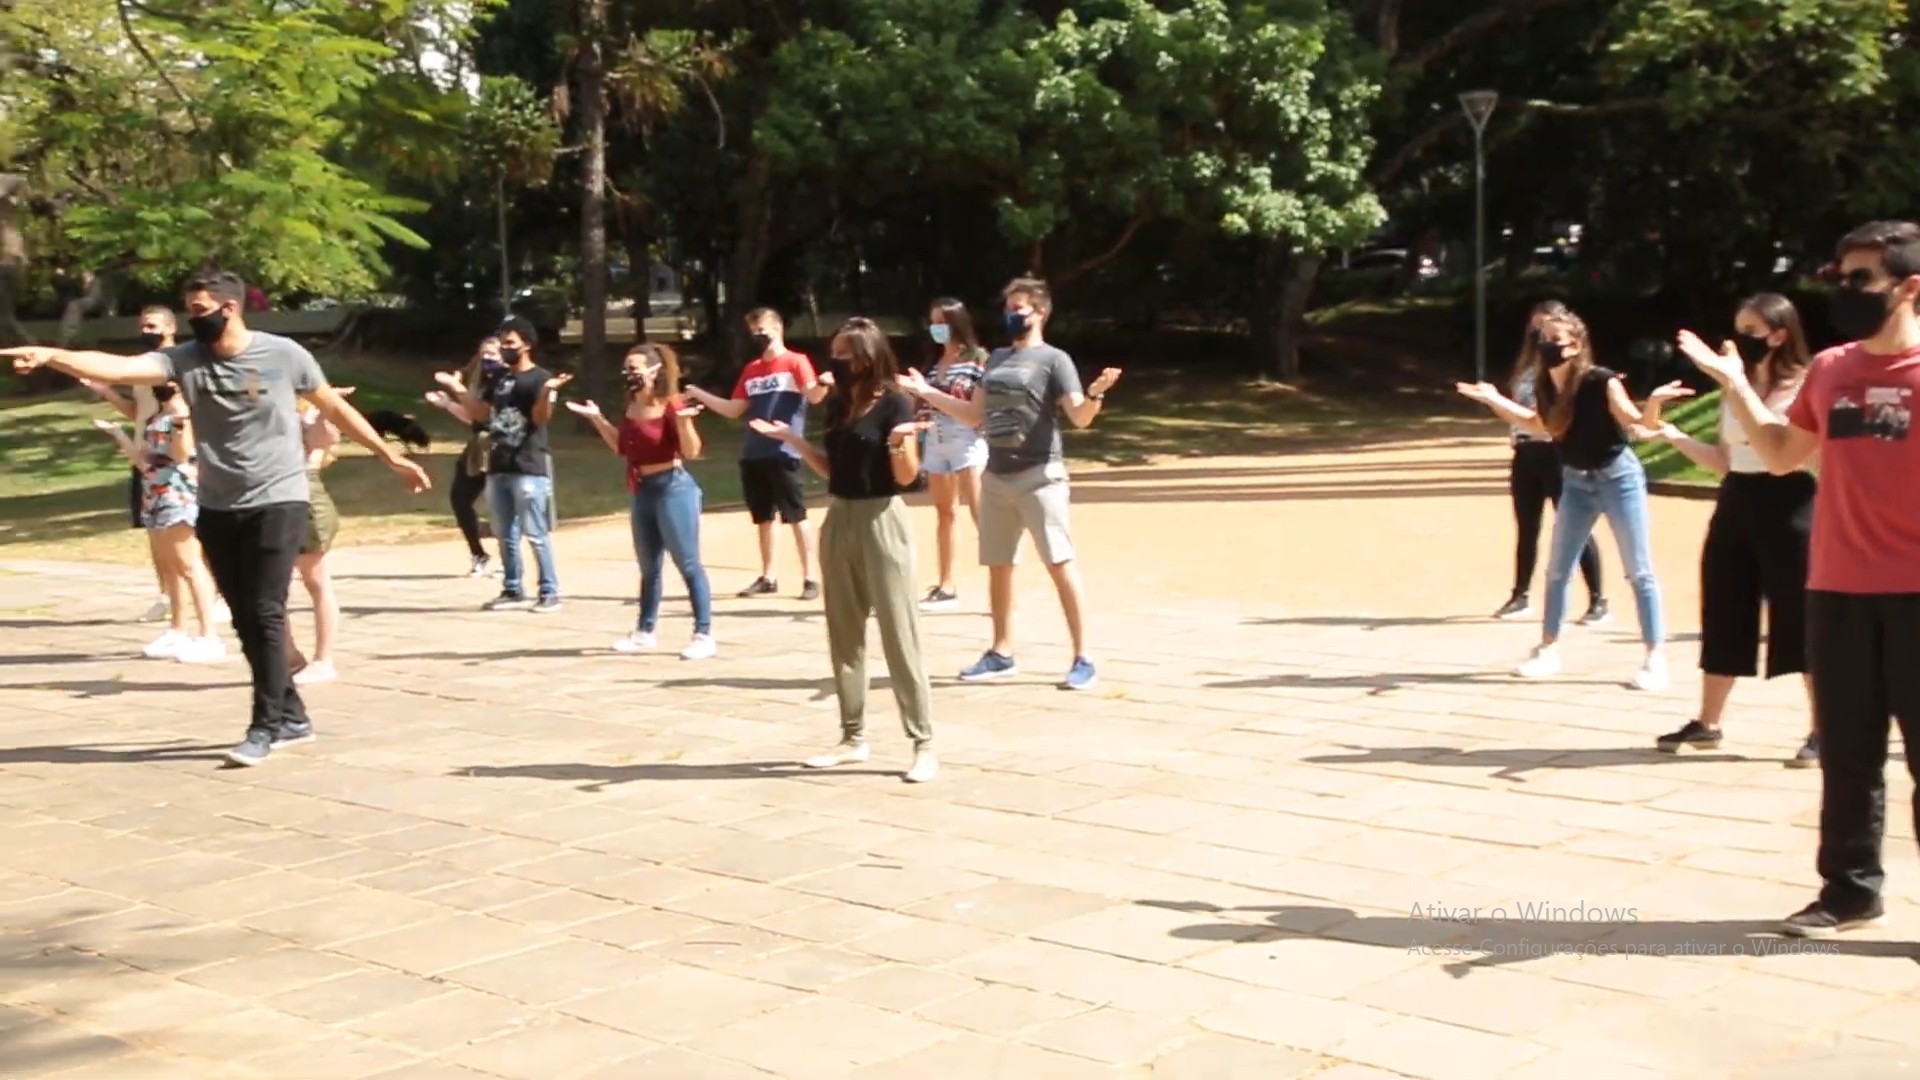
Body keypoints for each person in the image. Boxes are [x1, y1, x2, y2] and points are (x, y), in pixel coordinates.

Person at [3, 270, 431, 767]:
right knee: (247, 616)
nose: (193, 319)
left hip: (279, 498)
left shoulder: (283, 355)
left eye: (201, 310)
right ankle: (292, 717)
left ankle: (266, 724)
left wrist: (388, 456)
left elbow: (333, 407)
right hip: (218, 504)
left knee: (266, 610)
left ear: (230, 308)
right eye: (189, 310)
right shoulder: (184, 359)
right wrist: (55, 355)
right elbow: (119, 368)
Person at [1685, 220, 1920, 938]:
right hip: (1837, 586)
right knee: (1847, 752)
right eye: (1839, 277)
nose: (1843, 292)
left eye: (1861, 280)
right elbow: (1785, 454)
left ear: (1910, 287)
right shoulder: (1833, 370)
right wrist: (1735, 388)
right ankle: (1848, 891)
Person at [902, 277, 1122, 691]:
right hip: (997, 476)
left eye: (1019, 307)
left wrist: (1095, 394)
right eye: (1008, 307)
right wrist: (926, 391)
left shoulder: (1055, 360)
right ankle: (1001, 652)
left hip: (1041, 475)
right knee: (999, 566)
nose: (1011, 314)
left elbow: (1079, 416)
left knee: (1059, 562)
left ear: (1039, 312)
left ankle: (1083, 657)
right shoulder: (998, 358)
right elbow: (972, 414)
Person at [1456, 308, 1689, 691]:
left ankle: (1654, 657)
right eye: (1541, 339)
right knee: (1557, 568)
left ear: (1576, 345)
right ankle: (1548, 649)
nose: (1546, 346)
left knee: (1639, 570)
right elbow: (1538, 425)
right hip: (1576, 481)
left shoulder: (1600, 381)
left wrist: (1656, 402)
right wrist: (1494, 399)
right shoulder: (1545, 384)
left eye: (1555, 340)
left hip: (1618, 478)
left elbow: (1636, 425)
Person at [750, 318, 937, 782]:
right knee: (844, 633)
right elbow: (833, 469)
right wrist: (793, 441)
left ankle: (923, 742)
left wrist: (900, 444)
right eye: (834, 353)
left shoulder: (895, 400)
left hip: (882, 519)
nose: (836, 363)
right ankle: (852, 737)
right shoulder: (838, 402)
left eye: (844, 355)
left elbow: (907, 477)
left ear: (867, 357)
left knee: (899, 632)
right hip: (841, 518)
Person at [1654, 294, 1819, 766]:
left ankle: (1822, 729)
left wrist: (1740, 389)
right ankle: (1707, 722)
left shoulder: (1807, 384)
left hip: (1791, 503)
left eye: (1751, 329)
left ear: (1779, 334)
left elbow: (1797, 453)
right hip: (1737, 500)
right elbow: (1725, 460)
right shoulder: (1736, 385)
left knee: (1799, 617)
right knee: (1724, 606)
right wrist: (1675, 437)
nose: (1739, 338)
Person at [568, 343, 717, 660]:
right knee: (649, 567)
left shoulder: (671, 405)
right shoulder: (632, 404)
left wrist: (684, 422)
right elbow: (623, 447)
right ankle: (644, 632)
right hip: (642, 488)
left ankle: (703, 634)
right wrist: (597, 419)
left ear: (654, 371)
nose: (629, 374)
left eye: (635, 368)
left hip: (673, 488)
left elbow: (691, 452)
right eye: (626, 368)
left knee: (688, 563)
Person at [83, 306, 230, 624]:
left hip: (181, 460)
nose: (146, 331)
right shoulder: (142, 368)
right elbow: (137, 412)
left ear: (170, 327)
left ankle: (217, 596)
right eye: (142, 326)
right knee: (156, 533)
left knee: (192, 533)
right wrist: (106, 392)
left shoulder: (182, 363)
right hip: (147, 458)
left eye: (152, 325)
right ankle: (168, 596)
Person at [683, 308, 825, 601]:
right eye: (753, 332)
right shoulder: (751, 369)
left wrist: (824, 383)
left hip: (784, 448)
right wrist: (699, 393)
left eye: (762, 330)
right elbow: (735, 409)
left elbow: (813, 395)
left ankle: (810, 577)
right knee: (763, 517)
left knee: (796, 514)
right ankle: (768, 576)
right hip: (754, 451)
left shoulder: (796, 362)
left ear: (778, 327)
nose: (758, 336)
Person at [89, 381, 225, 664]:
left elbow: (180, 454)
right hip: (153, 496)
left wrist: (180, 423)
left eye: (172, 389)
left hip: (178, 496)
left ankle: (210, 636)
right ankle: (178, 630)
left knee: (189, 564)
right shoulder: (156, 418)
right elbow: (144, 461)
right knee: (170, 567)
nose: (165, 392)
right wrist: (117, 433)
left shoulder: (188, 417)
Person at [437, 316, 566, 613]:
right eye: (503, 343)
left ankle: (549, 591)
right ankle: (512, 589)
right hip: (498, 464)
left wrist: (547, 393)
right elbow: (480, 413)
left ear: (527, 345)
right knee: (505, 533)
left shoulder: (539, 378)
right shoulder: (499, 379)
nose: (506, 349)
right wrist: (455, 389)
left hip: (528, 465)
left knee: (535, 532)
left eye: (510, 343)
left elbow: (540, 418)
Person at [1497, 300, 1608, 625]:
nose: (1539, 336)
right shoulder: (1527, 366)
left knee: (1575, 526)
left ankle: (1598, 599)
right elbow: (1521, 407)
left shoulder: (1569, 372)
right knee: (1527, 525)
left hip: (1557, 452)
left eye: (1545, 330)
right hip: (1526, 451)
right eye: (1535, 329)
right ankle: (1519, 595)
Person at [915, 297, 990, 611]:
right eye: (933, 322)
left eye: (942, 322)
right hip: (935, 438)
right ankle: (946, 585)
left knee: (980, 513)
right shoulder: (933, 363)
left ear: (957, 323)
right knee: (945, 514)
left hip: (966, 438)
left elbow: (981, 402)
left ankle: (1003, 579)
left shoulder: (978, 359)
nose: (936, 328)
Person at [425, 336, 502, 578]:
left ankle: (508, 559)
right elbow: (474, 419)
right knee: (459, 498)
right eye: (484, 354)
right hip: (478, 446)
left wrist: (454, 388)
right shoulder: (479, 383)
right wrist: (447, 404)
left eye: (492, 354)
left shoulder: (507, 382)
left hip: (502, 447)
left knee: (500, 505)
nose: (487, 358)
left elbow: (488, 415)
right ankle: (479, 553)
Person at [285, 397, 344, 685]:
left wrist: (325, 408)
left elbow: (326, 439)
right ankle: (288, 656)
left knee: (316, 580)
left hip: (307, 498)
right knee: (271, 584)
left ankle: (323, 660)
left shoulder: (308, 413)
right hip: (277, 498)